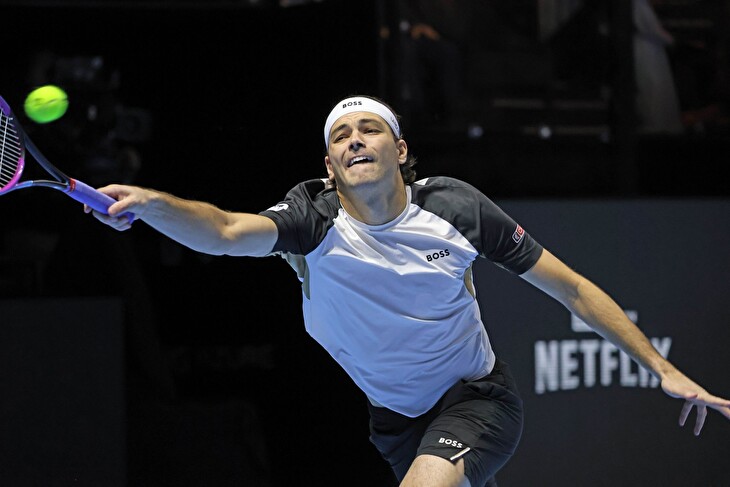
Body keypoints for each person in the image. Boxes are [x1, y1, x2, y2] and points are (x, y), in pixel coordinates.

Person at [87, 95, 730, 487]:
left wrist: (662, 368)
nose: (354, 140)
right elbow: (225, 230)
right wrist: (149, 205)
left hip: (476, 399)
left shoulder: (455, 209)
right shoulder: (310, 221)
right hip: (395, 423)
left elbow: (575, 290)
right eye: (340, 137)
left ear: (399, 150)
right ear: (330, 168)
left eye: (368, 129)